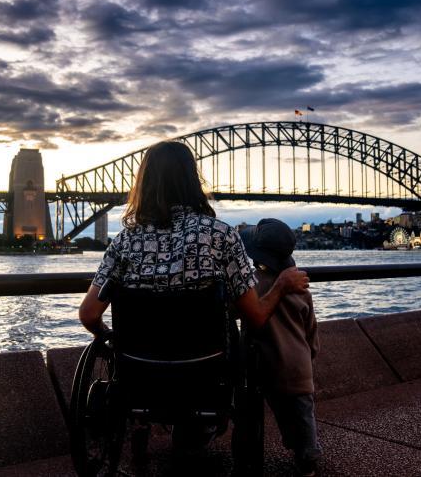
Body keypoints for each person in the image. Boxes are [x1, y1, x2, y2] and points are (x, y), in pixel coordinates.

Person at [77, 141, 310, 452]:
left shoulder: (123, 242)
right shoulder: (221, 236)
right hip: (205, 374)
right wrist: (280, 284)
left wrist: (111, 341)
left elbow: (89, 315)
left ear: (144, 183)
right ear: (193, 180)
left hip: (139, 372)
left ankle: (144, 423)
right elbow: (254, 317)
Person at [239, 218, 321, 477]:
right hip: (296, 366)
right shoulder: (300, 290)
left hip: (262, 364)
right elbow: (311, 331)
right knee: (300, 418)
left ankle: (247, 456)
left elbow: (236, 311)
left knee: (249, 415)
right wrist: (310, 354)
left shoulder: (250, 285)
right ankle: (307, 458)